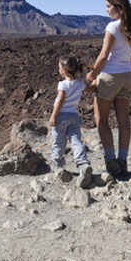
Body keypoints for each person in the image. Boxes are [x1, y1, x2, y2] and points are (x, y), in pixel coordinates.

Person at [85, 0, 131, 176]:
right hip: (127, 77)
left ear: (118, 7)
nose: (106, 10)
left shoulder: (113, 27)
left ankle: (111, 163)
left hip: (110, 77)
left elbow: (103, 55)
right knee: (124, 121)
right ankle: (123, 162)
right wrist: (129, 76)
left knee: (101, 120)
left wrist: (92, 74)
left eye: (109, 6)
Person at [48, 56, 93, 188]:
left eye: (59, 68)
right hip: (74, 116)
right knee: (76, 141)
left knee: (59, 142)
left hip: (61, 116)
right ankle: (83, 163)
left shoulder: (62, 84)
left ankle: (57, 164)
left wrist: (53, 116)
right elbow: (91, 90)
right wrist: (95, 81)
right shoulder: (79, 84)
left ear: (64, 71)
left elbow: (60, 101)